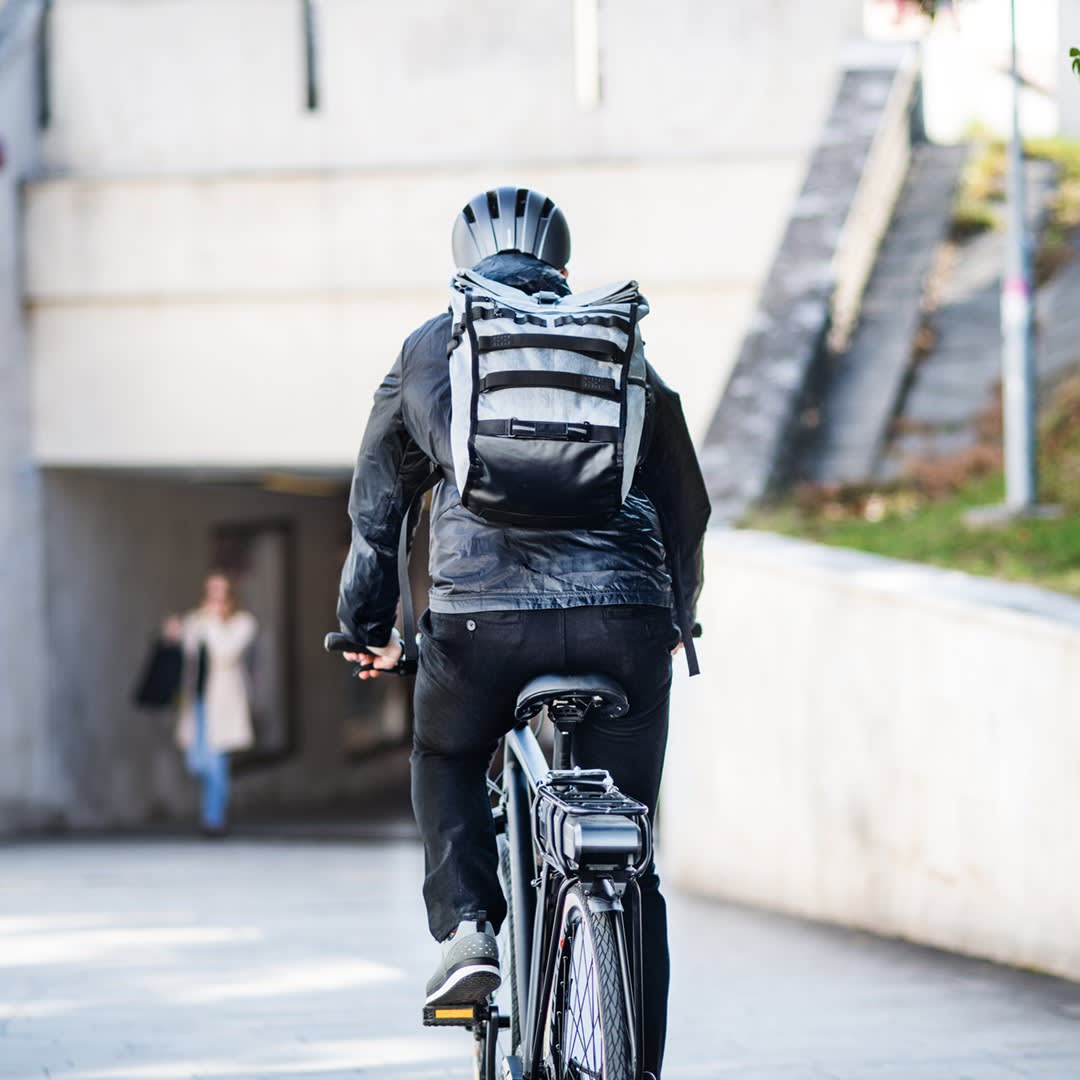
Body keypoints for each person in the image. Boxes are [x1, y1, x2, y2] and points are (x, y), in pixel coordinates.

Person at [336, 186, 709, 1079]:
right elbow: (684, 501)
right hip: (626, 621)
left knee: (447, 754)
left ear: (465, 267)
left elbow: (379, 506)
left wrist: (366, 626)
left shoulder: (436, 346)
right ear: (562, 267)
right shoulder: (617, 347)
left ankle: (469, 928)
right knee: (635, 860)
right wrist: (677, 615)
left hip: (479, 625)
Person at [163, 572, 258, 837]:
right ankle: (213, 814)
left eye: (220, 592)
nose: (215, 598)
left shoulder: (242, 623)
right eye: (211, 591)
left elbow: (225, 652)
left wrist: (212, 621)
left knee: (217, 762)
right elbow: (184, 653)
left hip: (224, 704)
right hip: (197, 700)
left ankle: (213, 820)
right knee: (196, 762)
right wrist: (174, 634)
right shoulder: (196, 620)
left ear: (230, 595)